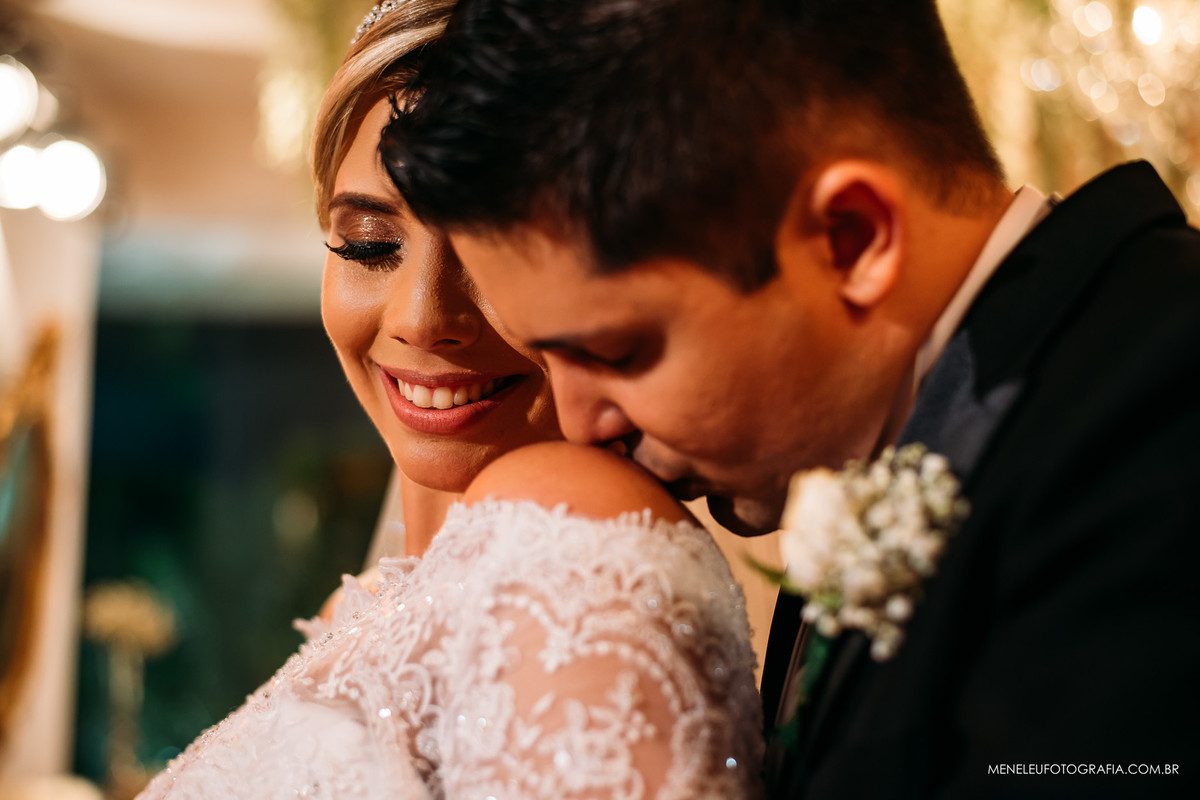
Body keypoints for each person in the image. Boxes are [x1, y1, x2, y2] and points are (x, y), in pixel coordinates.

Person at [382, 0, 1200, 797]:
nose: (581, 424)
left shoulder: (1158, 411)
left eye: (614, 353)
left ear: (852, 238)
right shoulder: (912, 434)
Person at [136, 2, 763, 797]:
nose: (423, 318)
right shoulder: (363, 609)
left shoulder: (570, 539)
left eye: (491, 251)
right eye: (370, 245)